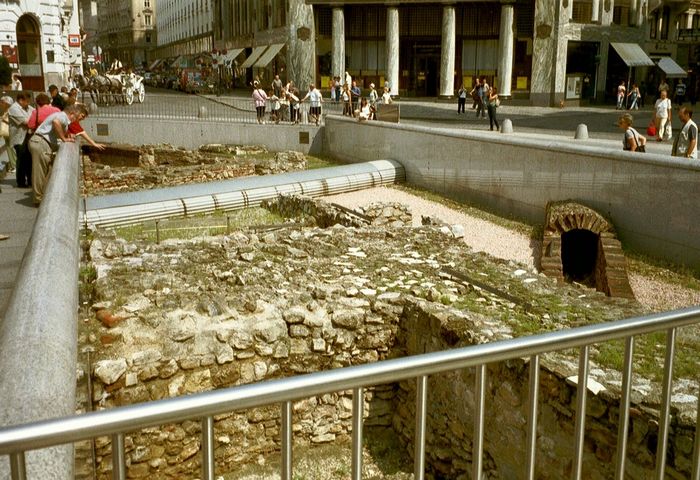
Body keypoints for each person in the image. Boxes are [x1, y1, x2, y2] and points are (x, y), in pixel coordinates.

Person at [28, 103, 86, 205]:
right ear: (72, 113)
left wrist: (66, 135)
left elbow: (57, 128)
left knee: (48, 171)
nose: (77, 120)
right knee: (40, 173)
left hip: (42, 143)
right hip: (41, 142)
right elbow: (56, 122)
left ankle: (42, 197)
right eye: (78, 117)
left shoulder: (62, 117)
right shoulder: (62, 116)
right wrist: (64, 138)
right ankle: (38, 199)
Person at [8, 92, 34, 188]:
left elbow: (35, 114)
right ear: (20, 100)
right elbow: (26, 122)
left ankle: (30, 180)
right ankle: (21, 182)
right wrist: (34, 120)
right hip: (19, 138)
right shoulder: (14, 108)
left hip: (28, 136)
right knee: (22, 159)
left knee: (29, 159)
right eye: (27, 101)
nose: (28, 103)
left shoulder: (28, 107)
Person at [0, 97, 15, 174]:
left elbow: (13, 122)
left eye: (2, 102)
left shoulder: (11, 111)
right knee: (9, 148)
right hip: (7, 133)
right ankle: (13, 165)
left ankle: (15, 165)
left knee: (11, 149)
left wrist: (3, 120)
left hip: (10, 132)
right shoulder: (7, 110)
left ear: (7, 103)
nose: (1, 104)